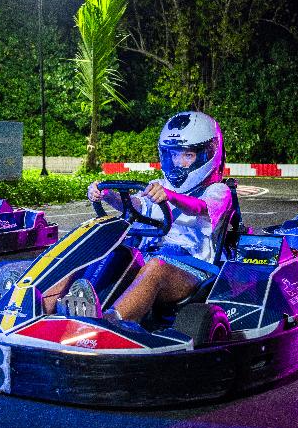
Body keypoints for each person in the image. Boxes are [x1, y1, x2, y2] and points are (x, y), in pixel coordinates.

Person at [53, 111, 233, 325]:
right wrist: (107, 195)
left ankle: (110, 323)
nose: (179, 162)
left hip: (193, 270)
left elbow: (199, 208)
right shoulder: (160, 185)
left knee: (155, 267)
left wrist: (171, 197)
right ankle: (47, 306)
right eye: (174, 155)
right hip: (150, 257)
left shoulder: (218, 191)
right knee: (104, 251)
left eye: (188, 155)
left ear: (207, 154)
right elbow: (137, 205)